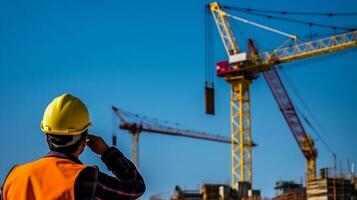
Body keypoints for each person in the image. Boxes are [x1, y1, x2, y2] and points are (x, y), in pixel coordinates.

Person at [1, 93, 145, 200]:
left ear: (47, 138)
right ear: (83, 141)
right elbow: (135, 187)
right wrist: (107, 152)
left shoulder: (14, 177)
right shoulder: (85, 177)